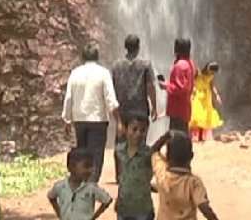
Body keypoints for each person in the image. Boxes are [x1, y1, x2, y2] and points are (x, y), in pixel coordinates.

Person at [62, 45, 119, 185]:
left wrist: (66, 119)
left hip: (80, 120)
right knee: (97, 153)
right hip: (98, 120)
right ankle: (92, 182)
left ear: (82, 57)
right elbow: (110, 99)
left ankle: (82, 181)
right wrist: (118, 119)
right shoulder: (103, 73)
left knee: (82, 152)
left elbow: (69, 97)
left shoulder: (75, 73)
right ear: (97, 57)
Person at [111, 34, 156, 182]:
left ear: (125, 47)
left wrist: (113, 111)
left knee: (121, 143)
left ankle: (120, 175)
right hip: (140, 110)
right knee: (139, 143)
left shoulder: (116, 65)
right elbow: (150, 86)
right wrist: (155, 106)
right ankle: (138, 174)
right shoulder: (145, 64)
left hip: (122, 109)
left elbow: (111, 89)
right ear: (138, 47)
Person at [149, 131, 219, 220]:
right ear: (191, 156)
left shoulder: (162, 174)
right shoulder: (194, 182)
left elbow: (153, 151)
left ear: (167, 156)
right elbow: (204, 207)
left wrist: (166, 136)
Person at [47, 148, 113, 220]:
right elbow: (51, 197)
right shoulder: (60, 186)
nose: (91, 170)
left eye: (91, 166)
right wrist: (60, 214)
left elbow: (107, 200)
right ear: (71, 167)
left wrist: (93, 217)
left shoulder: (91, 188)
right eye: (86, 166)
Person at [113, 114, 155, 220]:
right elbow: (120, 178)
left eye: (143, 130)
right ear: (126, 130)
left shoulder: (148, 153)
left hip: (143, 208)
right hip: (124, 208)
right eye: (134, 129)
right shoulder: (119, 151)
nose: (138, 134)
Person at [164, 38, 196, 133]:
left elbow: (180, 88)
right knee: (182, 135)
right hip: (184, 108)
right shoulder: (189, 63)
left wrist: (165, 86)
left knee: (176, 137)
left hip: (177, 108)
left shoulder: (180, 65)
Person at [189, 62, 224, 142]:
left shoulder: (211, 76)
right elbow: (191, 81)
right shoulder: (198, 73)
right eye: (211, 71)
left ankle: (201, 136)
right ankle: (195, 136)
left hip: (207, 97)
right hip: (197, 96)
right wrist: (192, 90)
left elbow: (212, 86)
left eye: (213, 72)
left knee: (205, 117)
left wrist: (216, 95)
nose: (211, 73)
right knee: (197, 116)